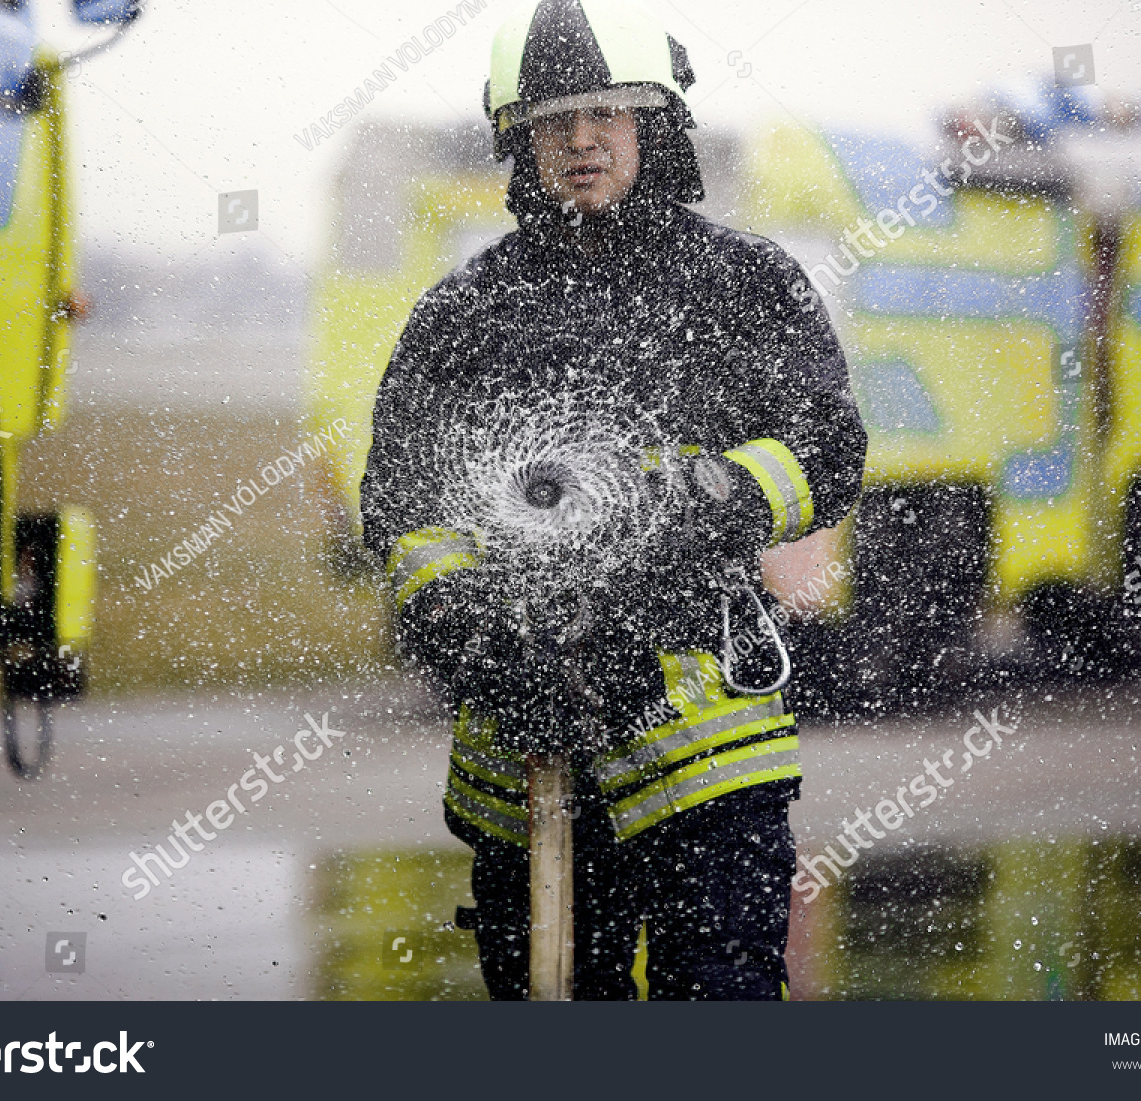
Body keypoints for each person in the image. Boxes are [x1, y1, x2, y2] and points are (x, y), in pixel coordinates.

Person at [359, 0, 866, 1000]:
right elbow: (404, 510)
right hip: (528, 773)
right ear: (520, 140)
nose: (582, 139)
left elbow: (828, 451)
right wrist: (478, 635)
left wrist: (707, 496)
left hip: (706, 760)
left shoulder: (744, 283)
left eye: (609, 113)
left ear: (657, 126)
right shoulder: (462, 314)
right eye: (553, 120)